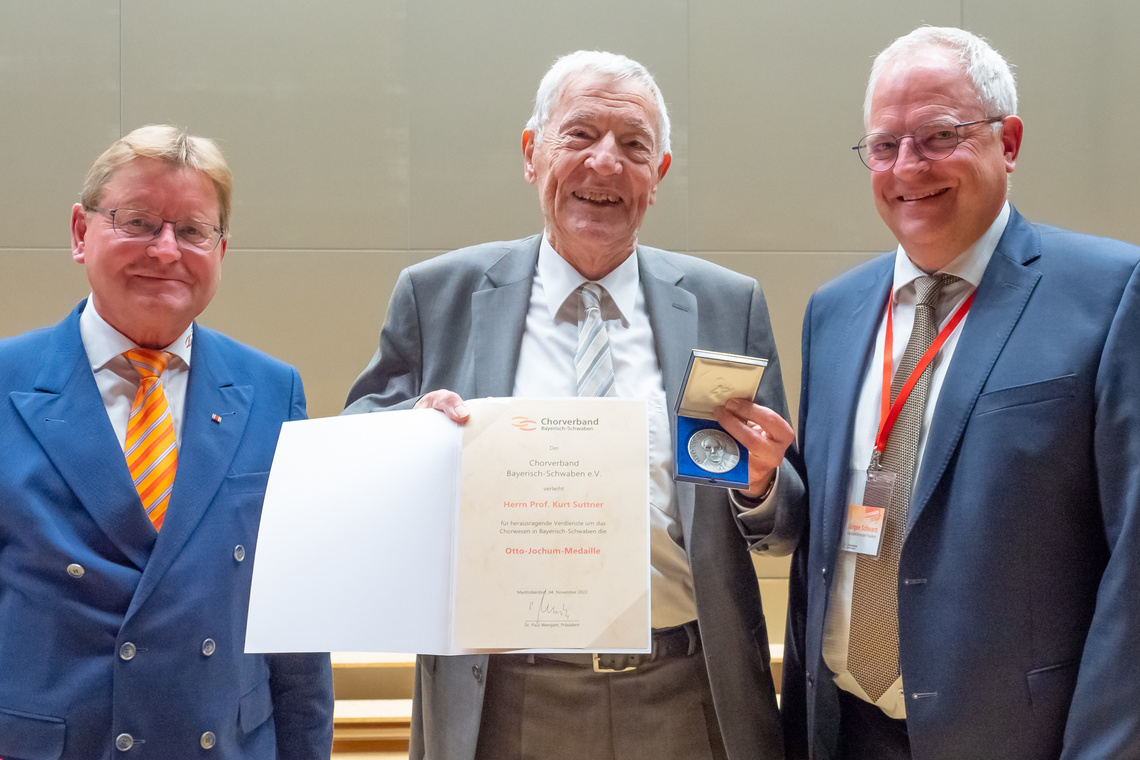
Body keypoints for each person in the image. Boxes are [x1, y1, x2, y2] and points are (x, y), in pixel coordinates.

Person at [346, 51, 802, 760]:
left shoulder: (725, 304)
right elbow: (358, 464)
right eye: (580, 135)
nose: (605, 163)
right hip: (504, 698)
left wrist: (763, 484)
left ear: (660, 173)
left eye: (633, 145)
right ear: (533, 153)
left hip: (685, 693)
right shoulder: (439, 296)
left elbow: (785, 525)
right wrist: (409, 445)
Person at [782, 26, 1140, 760]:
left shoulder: (1110, 294)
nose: (907, 166)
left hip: (1020, 737)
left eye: (939, 135)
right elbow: (820, 547)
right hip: (846, 732)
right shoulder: (834, 313)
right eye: (884, 145)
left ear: (1007, 142)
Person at [0, 125, 334, 759]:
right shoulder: (4, 384)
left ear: (221, 249)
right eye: (137, 222)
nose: (164, 250)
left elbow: (297, 626)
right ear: (80, 232)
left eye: (191, 231)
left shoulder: (272, 391)